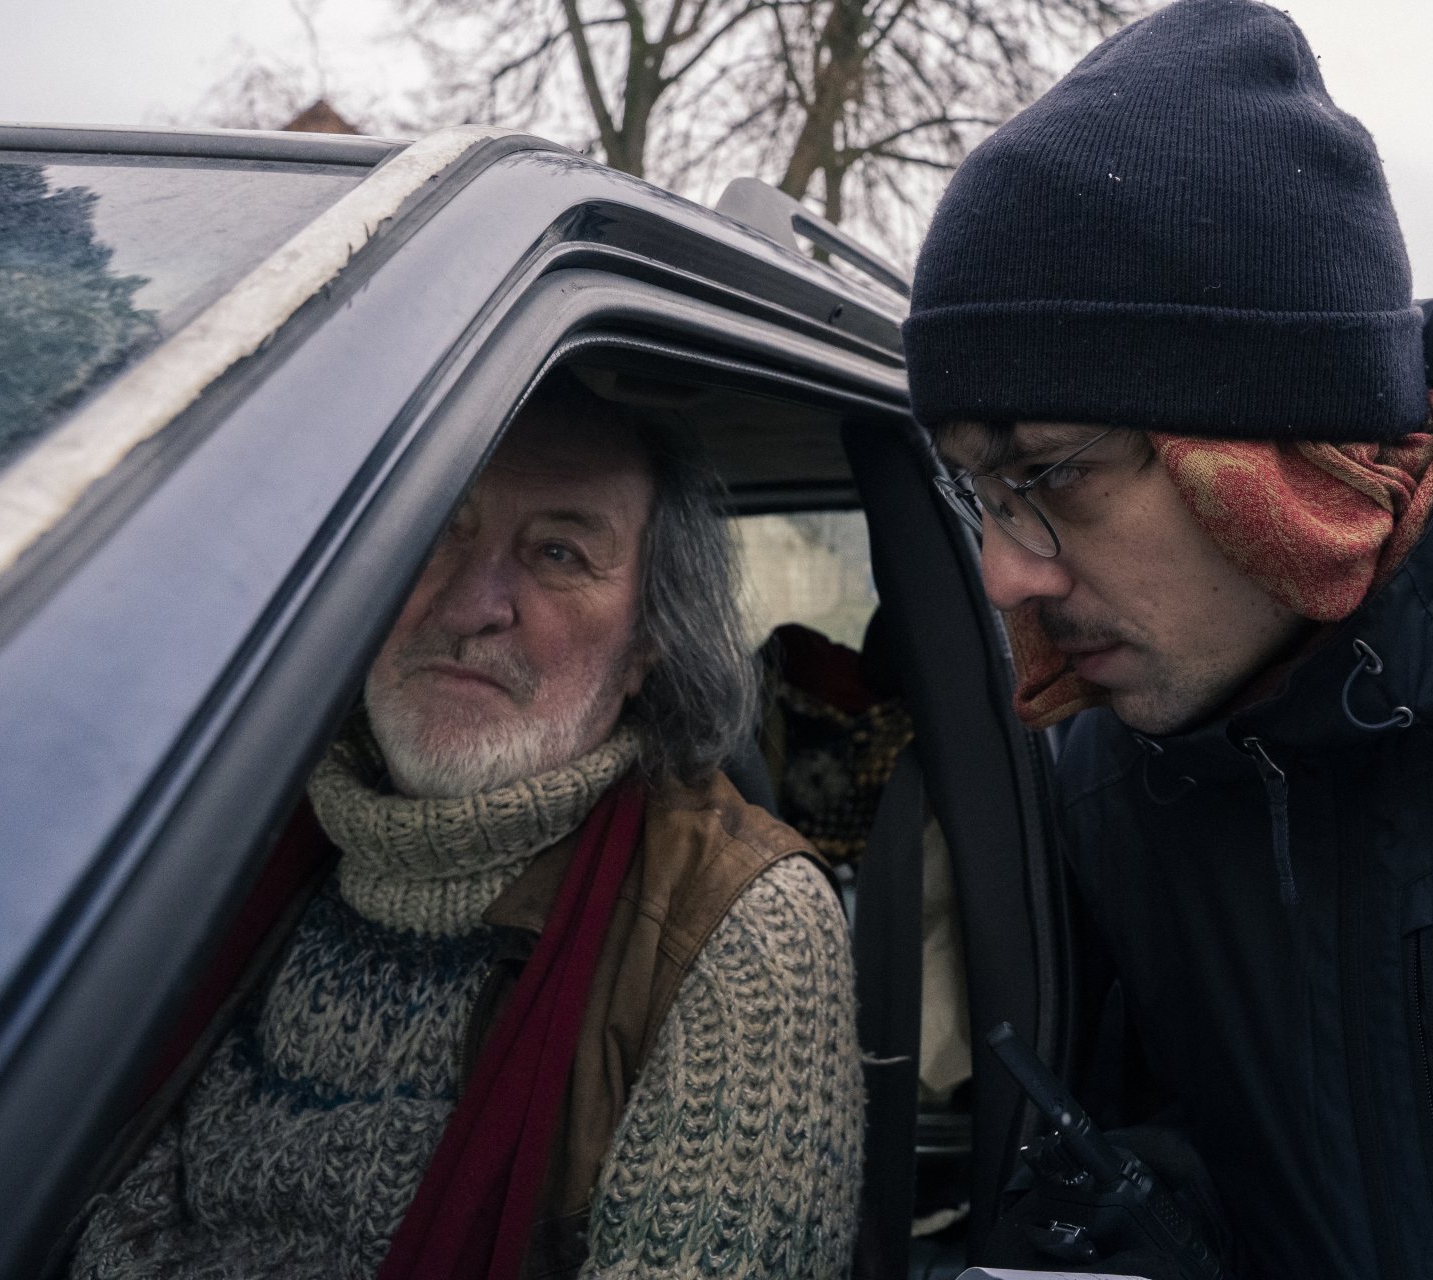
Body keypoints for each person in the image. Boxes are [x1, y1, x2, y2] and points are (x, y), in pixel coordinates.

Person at [901, 2, 1433, 1277]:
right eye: (980, 497)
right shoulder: (1110, 785)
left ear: (1266, 461)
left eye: (1050, 473)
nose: (1005, 572)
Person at [70, 370, 864, 1279]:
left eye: (559, 553)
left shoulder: (738, 930)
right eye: (441, 526)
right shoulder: (222, 822)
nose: (471, 605)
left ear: (646, 645)